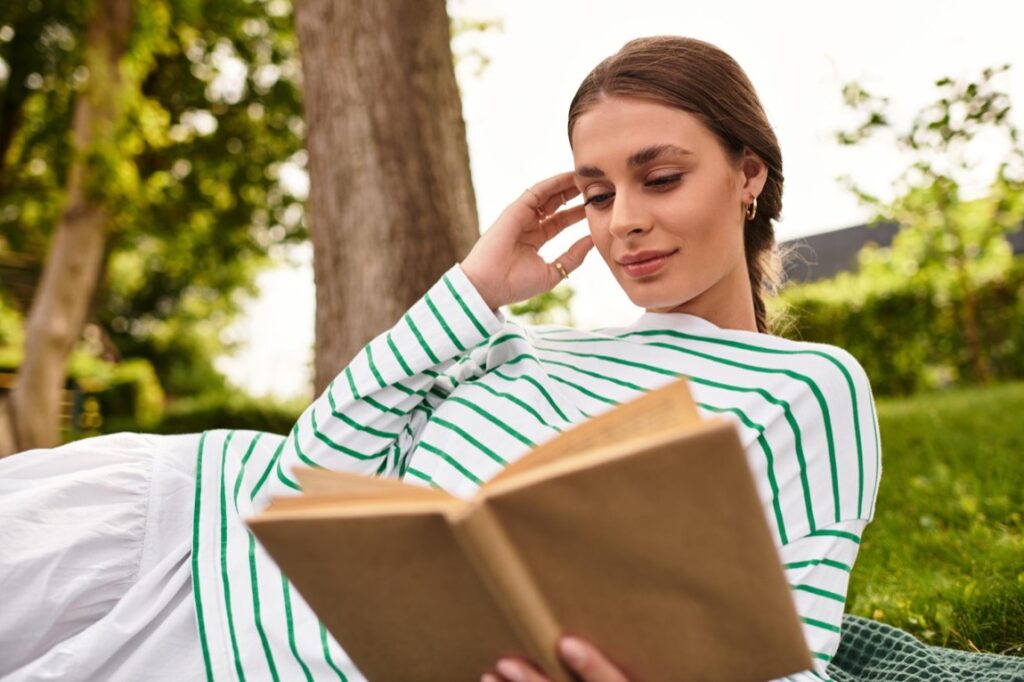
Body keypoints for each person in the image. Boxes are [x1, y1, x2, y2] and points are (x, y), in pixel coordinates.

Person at [0, 35, 881, 682]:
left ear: (749, 174)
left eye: (660, 178)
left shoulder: (806, 386)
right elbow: (308, 476)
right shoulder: (514, 344)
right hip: (182, 531)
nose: (623, 223)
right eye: (598, 192)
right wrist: (476, 285)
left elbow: (791, 653)